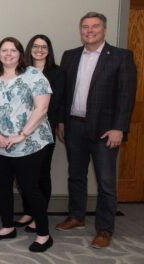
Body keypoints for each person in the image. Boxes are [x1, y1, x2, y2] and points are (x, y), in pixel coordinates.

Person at [55, 12, 137, 249]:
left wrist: (119, 128)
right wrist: (61, 122)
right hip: (74, 126)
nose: (89, 31)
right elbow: (64, 94)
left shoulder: (121, 57)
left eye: (95, 26)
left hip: (105, 130)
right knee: (76, 175)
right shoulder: (70, 56)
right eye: (85, 27)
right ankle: (76, 216)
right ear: (81, 30)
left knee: (106, 181)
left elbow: (126, 96)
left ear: (104, 29)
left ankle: (104, 228)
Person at [0, 37, 54, 252]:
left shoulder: (34, 75)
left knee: (30, 188)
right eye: (4, 50)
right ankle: (7, 227)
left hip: (29, 143)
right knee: (2, 186)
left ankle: (43, 234)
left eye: (13, 50)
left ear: (20, 53)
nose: (8, 54)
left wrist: (21, 135)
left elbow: (42, 109)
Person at [14, 34, 64, 233]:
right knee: (24, 174)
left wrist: (34, 120)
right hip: (21, 132)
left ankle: (38, 215)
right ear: (29, 48)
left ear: (49, 50)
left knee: (41, 174)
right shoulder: (20, 71)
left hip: (43, 132)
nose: (39, 49)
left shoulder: (57, 73)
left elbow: (55, 102)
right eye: (36, 46)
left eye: (44, 46)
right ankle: (28, 211)